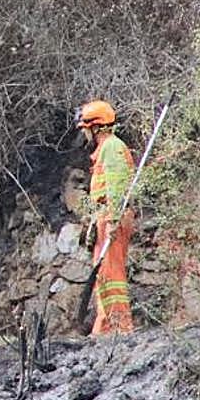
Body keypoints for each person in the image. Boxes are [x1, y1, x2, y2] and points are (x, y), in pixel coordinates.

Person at [77, 99, 135, 335]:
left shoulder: (112, 147)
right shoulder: (105, 150)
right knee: (104, 275)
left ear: (96, 127)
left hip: (113, 218)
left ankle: (119, 327)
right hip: (106, 217)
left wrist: (112, 220)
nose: (85, 134)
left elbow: (117, 186)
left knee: (112, 275)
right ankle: (105, 326)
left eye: (86, 128)